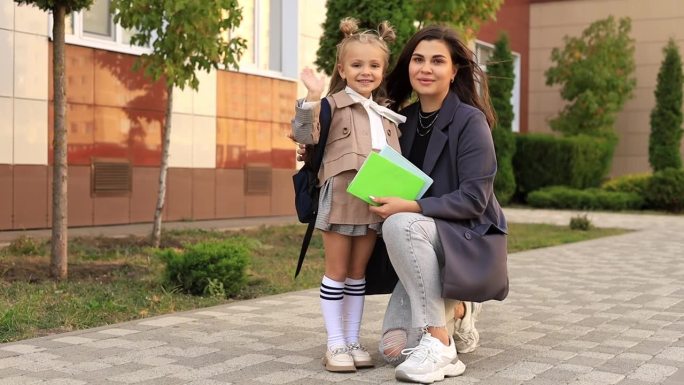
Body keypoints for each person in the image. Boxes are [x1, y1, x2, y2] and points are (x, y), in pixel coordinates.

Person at [366, 24, 508, 384]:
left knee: (399, 222)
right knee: (393, 351)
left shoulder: (469, 121)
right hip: (421, 242)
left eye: (437, 61)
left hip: (466, 238)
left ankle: (441, 343)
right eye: (418, 59)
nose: (425, 68)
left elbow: (475, 200)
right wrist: (314, 146)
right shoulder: (403, 120)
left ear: (454, 70)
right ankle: (459, 307)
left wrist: (409, 207)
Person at [290, 18, 406, 373]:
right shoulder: (331, 105)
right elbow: (303, 136)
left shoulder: (387, 114)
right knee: (337, 272)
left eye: (373, 65)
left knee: (358, 275)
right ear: (342, 68)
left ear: (383, 70)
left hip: (373, 202)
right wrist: (311, 96)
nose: (365, 71)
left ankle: (353, 340)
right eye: (357, 65)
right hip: (340, 196)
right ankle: (335, 343)